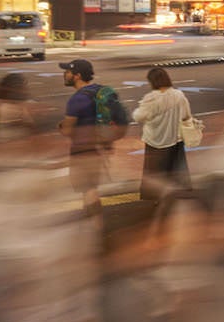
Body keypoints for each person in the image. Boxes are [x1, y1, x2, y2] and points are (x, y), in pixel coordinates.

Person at [58, 58, 125, 211]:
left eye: (68, 72)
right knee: (91, 187)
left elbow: (67, 130)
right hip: (100, 148)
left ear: (77, 76)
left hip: (82, 151)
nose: (65, 74)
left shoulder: (77, 99)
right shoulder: (101, 91)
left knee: (88, 190)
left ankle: (94, 225)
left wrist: (61, 126)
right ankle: (93, 223)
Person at [132, 66, 193, 202]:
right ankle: (178, 198)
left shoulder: (151, 98)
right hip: (175, 140)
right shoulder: (178, 95)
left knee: (156, 173)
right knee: (176, 170)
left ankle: (158, 199)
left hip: (155, 141)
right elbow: (186, 115)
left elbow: (138, 116)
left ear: (152, 82)